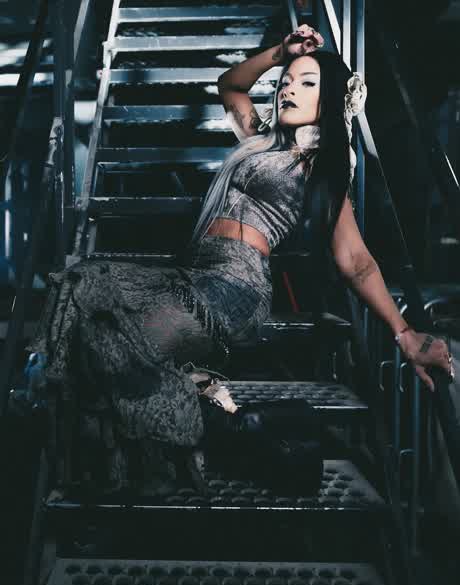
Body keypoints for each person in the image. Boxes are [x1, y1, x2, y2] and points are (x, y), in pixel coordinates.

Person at [25, 25, 453, 497]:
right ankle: (192, 394)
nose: (289, 88)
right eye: (286, 80)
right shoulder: (259, 139)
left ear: (330, 99)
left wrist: (404, 333)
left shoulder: (323, 165)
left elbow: (355, 260)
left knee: (123, 339)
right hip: (193, 272)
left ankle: (197, 425)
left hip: (234, 285)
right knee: (84, 284)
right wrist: (280, 52)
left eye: (307, 82)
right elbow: (230, 85)